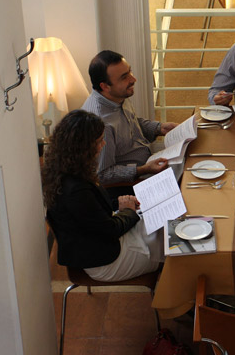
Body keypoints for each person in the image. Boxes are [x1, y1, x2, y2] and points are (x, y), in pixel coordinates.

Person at [43, 110, 163, 282]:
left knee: (160, 229)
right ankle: (174, 299)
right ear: (83, 147)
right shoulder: (75, 189)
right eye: (99, 141)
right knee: (169, 248)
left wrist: (120, 204)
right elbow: (110, 230)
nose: (104, 144)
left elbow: (91, 210)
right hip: (104, 260)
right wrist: (128, 211)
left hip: (96, 242)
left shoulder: (63, 170)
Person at [82, 50, 177, 185]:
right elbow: (102, 174)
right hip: (135, 182)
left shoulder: (117, 96)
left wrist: (159, 128)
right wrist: (142, 170)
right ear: (105, 86)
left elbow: (131, 123)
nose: (133, 79)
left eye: (130, 72)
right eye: (124, 77)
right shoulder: (101, 124)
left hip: (149, 160)